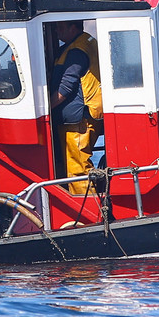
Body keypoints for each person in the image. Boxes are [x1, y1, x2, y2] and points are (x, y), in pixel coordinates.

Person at [48, 20, 103, 195]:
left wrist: (45, 109)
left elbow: (66, 87)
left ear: (73, 28)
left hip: (79, 121)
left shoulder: (76, 52)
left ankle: (89, 215)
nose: (57, 30)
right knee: (78, 164)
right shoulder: (87, 41)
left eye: (61, 27)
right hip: (89, 114)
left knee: (77, 168)